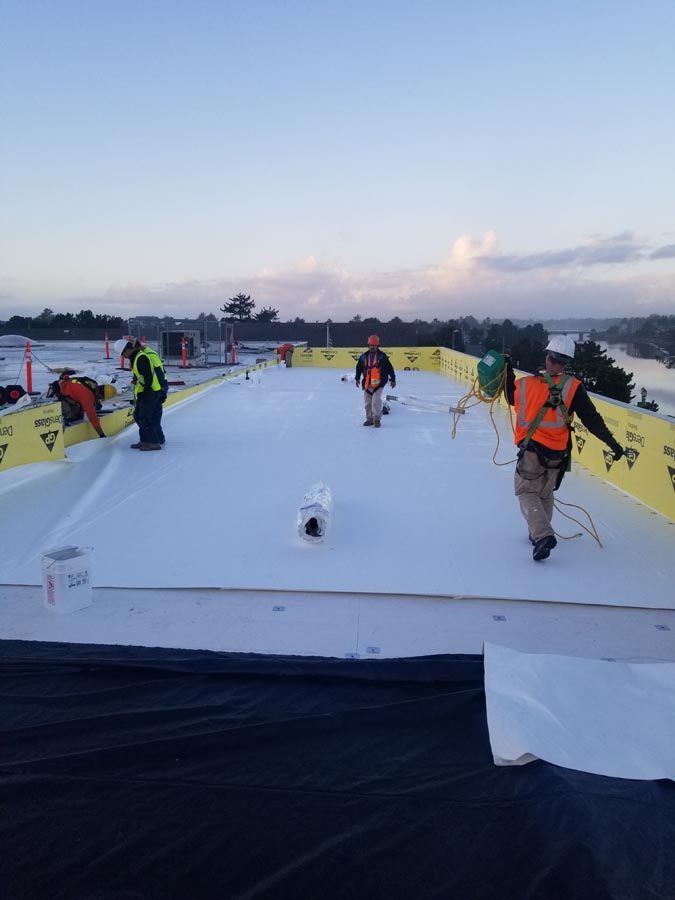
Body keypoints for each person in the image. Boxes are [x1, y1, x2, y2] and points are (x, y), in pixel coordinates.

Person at [505, 334, 625, 562]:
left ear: (547, 357)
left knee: (526, 491)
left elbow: (509, 394)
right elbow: (592, 419)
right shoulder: (573, 387)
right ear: (566, 362)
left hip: (532, 451)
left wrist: (508, 369)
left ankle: (542, 535)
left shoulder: (526, 385)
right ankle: (537, 534)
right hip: (557, 455)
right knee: (545, 493)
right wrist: (613, 445)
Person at [114, 338, 168, 450]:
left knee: (145, 417)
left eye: (123, 353)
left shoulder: (142, 357)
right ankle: (145, 440)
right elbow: (142, 374)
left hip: (151, 391)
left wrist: (156, 392)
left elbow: (152, 376)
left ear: (129, 349)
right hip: (145, 390)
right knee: (139, 416)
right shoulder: (136, 357)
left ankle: (154, 442)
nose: (124, 356)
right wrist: (136, 379)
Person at [46, 375, 115, 437]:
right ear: (101, 395)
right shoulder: (87, 396)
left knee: (79, 415)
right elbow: (92, 418)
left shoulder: (93, 384)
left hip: (65, 388)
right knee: (69, 415)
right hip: (55, 394)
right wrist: (101, 434)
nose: (101, 399)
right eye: (102, 398)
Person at [355, 335, 396, 427]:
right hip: (367, 384)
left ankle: (376, 419)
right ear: (368, 345)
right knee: (367, 403)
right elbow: (359, 368)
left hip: (379, 383)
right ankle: (369, 419)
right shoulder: (363, 357)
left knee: (376, 401)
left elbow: (390, 368)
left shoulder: (382, 357)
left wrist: (393, 379)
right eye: (371, 345)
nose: (372, 347)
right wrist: (357, 378)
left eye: (374, 345)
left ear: (378, 346)